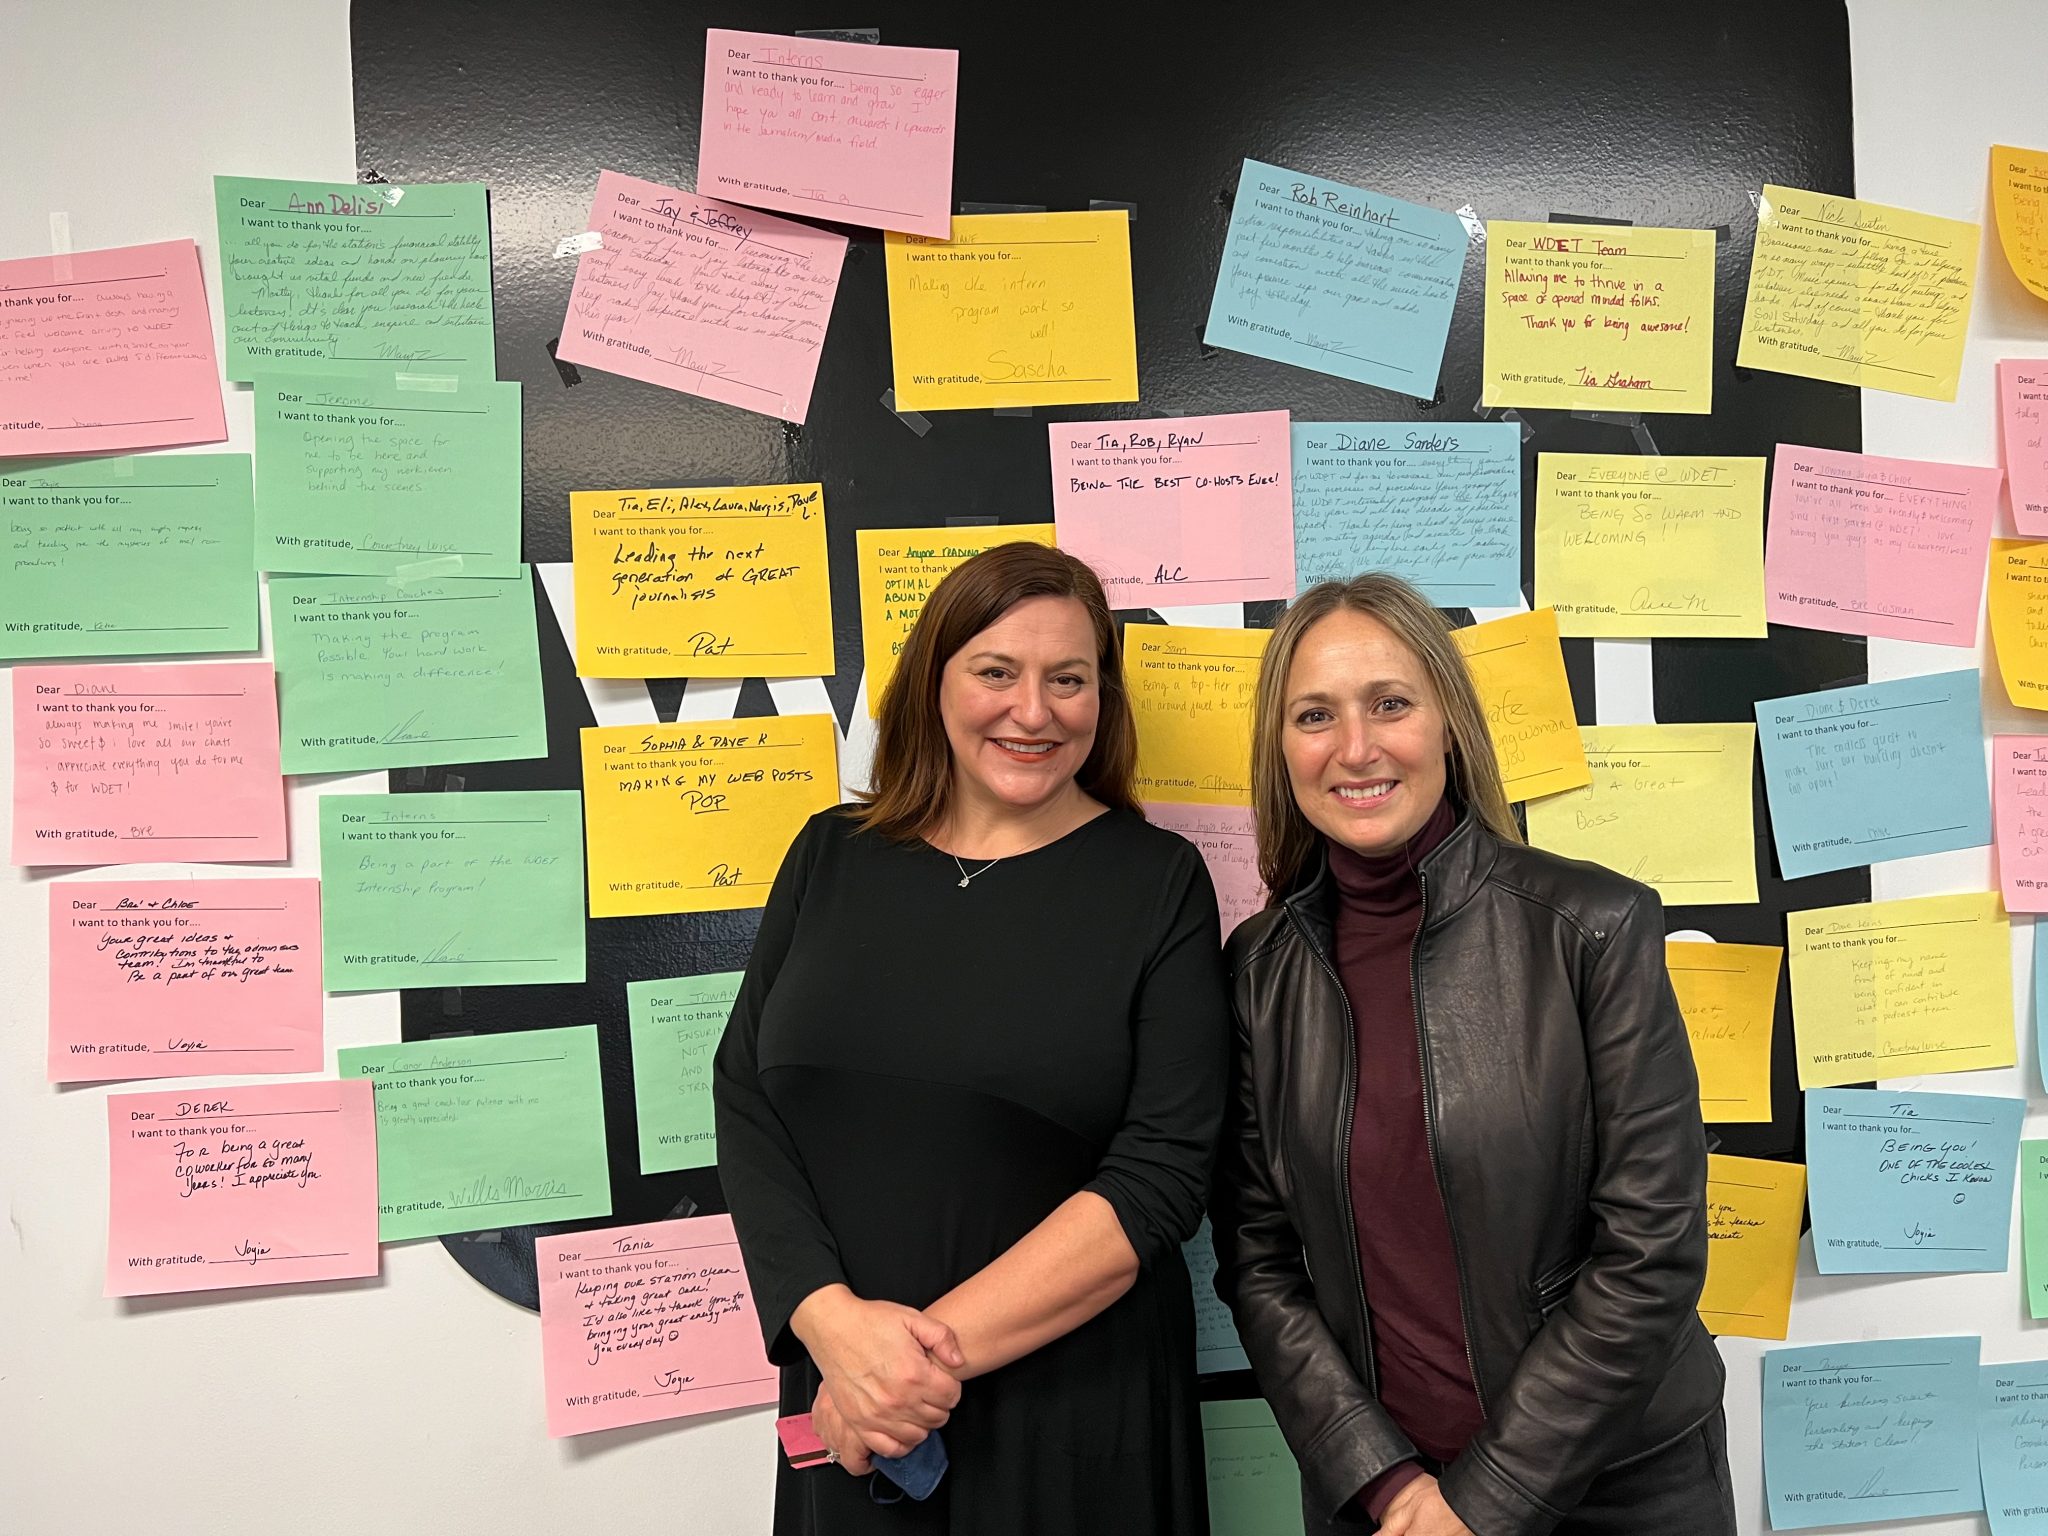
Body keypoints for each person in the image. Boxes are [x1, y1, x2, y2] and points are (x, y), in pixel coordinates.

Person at [713, 541, 1230, 1535]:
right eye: (996, 671)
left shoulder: (1154, 883)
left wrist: (902, 1365)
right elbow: (745, 1097)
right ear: (933, 683)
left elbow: (1163, 1171)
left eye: (1067, 680)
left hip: (1069, 1420)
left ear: (1101, 699)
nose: (1031, 712)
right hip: (847, 1399)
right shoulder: (829, 853)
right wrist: (829, 1328)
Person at [1211, 574, 1732, 1536]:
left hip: (1619, 1488)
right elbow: (1260, 1265)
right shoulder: (1255, 973)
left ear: (1448, 722)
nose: (1355, 748)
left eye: (1391, 704)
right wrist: (1389, 1483)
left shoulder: (1593, 927)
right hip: (1381, 1499)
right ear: (1280, 750)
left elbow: (1652, 1253)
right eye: (1315, 715)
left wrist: (1481, 1503)